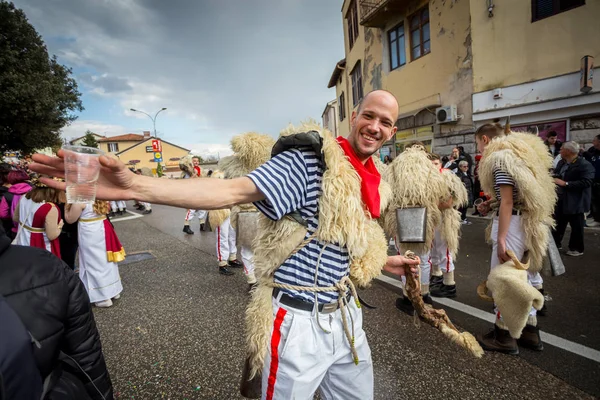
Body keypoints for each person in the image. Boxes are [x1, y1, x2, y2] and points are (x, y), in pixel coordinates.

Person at [30, 90, 419, 400]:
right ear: (353, 117)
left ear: (392, 132)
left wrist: (387, 262)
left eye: (385, 122)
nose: (374, 126)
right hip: (299, 323)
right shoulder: (312, 159)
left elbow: (343, 240)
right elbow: (230, 190)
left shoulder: (374, 178)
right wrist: (137, 185)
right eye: (369, 115)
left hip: (347, 317)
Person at [475, 122, 555, 354]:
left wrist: (501, 239)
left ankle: (504, 335)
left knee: (506, 278)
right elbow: (514, 195)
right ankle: (529, 332)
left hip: (514, 224)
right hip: (530, 222)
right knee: (525, 278)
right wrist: (491, 203)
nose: (478, 148)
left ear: (486, 140)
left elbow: (509, 201)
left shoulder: (500, 159)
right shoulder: (520, 155)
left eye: (478, 142)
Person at [65, 200, 125, 308]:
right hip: (102, 226)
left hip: (89, 231)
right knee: (106, 261)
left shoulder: (80, 201)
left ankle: (102, 297)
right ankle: (113, 291)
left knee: (93, 262)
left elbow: (70, 219)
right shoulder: (102, 194)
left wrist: (66, 206)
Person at [551, 141, 595, 256]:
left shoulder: (584, 164)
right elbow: (559, 174)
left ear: (568, 151)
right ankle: (556, 244)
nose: (560, 151)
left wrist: (565, 183)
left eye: (562, 149)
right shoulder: (562, 162)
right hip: (561, 199)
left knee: (576, 226)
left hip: (576, 201)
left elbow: (587, 182)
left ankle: (576, 248)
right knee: (558, 224)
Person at [12, 180, 64, 258]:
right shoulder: (50, 208)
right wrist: (60, 226)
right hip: (39, 244)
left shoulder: (24, 197)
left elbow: (15, 218)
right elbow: (52, 235)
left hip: (22, 240)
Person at [0, 169, 32, 239]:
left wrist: (12, 215)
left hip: (16, 229)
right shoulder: (33, 192)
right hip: (33, 229)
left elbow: (3, 214)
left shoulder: (7, 195)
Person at [180, 156, 206, 234]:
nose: (196, 162)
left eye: (197, 161)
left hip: (200, 192)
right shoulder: (187, 171)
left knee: (202, 209)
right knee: (191, 209)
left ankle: (202, 225)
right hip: (191, 193)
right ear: (191, 162)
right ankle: (186, 226)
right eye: (194, 161)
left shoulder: (200, 169)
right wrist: (194, 174)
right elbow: (187, 182)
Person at [583, 134, 600, 227]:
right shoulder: (592, 151)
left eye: (595, 140)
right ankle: (597, 219)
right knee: (595, 201)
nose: (593, 142)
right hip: (594, 181)